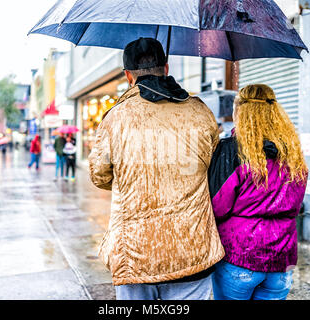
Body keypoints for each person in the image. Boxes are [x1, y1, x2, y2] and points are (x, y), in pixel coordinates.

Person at [88, 37, 224, 300]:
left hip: (135, 254)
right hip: (192, 249)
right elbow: (213, 166)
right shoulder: (201, 111)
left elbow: (99, 175)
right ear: (167, 68)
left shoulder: (115, 117)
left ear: (128, 76)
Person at [208, 84, 308, 300]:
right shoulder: (293, 153)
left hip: (240, 256)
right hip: (282, 259)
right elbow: (297, 203)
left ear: (240, 112)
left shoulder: (232, 150)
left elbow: (218, 206)